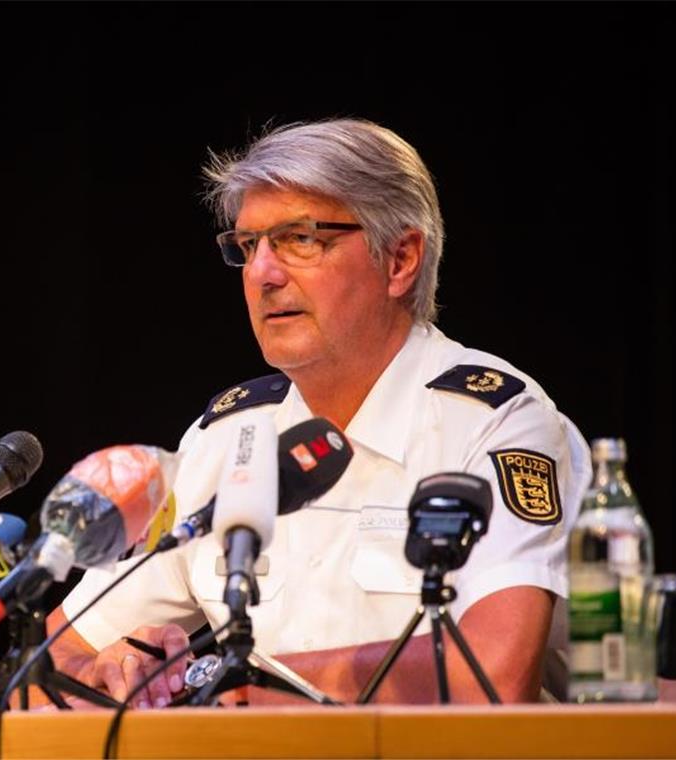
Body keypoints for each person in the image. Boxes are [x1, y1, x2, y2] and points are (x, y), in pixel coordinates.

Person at [45, 118, 590, 707]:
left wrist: (234, 687)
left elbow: (491, 673)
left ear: (401, 259)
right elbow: (52, 660)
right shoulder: (226, 438)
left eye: (300, 239)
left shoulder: (494, 421)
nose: (261, 274)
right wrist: (114, 672)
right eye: (249, 246)